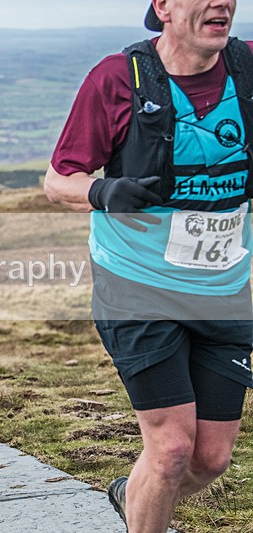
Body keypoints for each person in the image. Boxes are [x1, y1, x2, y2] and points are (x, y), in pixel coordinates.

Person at [44, 2, 253, 531]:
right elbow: (57, 180)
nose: (223, 3)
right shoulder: (118, 79)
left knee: (211, 458)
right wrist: (103, 189)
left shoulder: (248, 69)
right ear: (162, 6)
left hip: (225, 289)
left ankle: (130, 493)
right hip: (138, 287)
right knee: (171, 449)